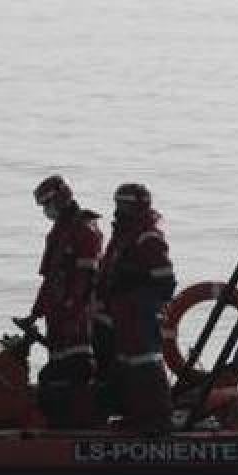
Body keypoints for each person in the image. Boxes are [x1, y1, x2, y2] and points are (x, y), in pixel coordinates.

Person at [19, 175, 103, 428]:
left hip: (77, 316)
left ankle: (80, 418)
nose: (46, 211)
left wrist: (73, 308)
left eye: (48, 205)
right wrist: (35, 314)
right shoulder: (58, 233)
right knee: (58, 366)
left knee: (77, 366)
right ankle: (62, 417)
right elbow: (49, 281)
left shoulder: (84, 230)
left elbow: (87, 278)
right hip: (58, 316)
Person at [99, 183, 177, 433]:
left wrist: (136, 278)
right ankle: (136, 414)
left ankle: (157, 417)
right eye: (118, 204)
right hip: (123, 310)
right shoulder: (123, 235)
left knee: (145, 360)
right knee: (126, 361)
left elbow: (166, 280)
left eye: (125, 204)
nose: (119, 210)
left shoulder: (147, 236)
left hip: (141, 309)